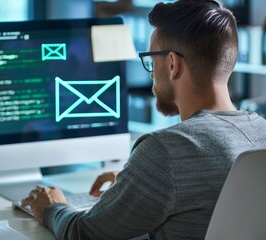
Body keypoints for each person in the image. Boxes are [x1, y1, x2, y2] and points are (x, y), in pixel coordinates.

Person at [22, 1, 266, 239]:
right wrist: (139, 181)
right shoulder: (261, 132)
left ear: (172, 64)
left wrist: (50, 206)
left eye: (151, 61)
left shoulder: (166, 150)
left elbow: (83, 232)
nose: (151, 73)